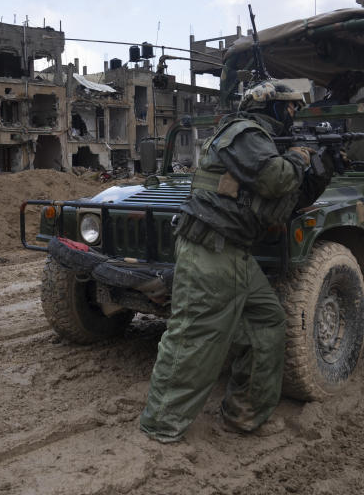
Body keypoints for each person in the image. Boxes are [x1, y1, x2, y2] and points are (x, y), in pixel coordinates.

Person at [139, 80, 333, 443]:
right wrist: (300, 158)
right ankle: (159, 428)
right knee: (194, 337)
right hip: (211, 251)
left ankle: (243, 415)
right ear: (268, 105)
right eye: (289, 106)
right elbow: (275, 179)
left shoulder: (260, 140)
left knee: (266, 323)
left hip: (234, 253)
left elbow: (280, 200)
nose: (293, 113)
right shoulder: (243, 131)